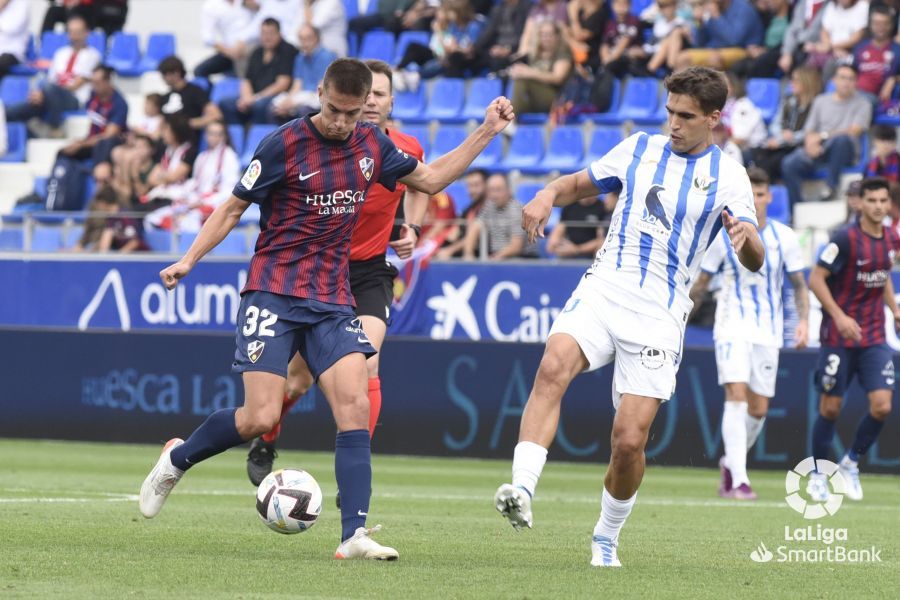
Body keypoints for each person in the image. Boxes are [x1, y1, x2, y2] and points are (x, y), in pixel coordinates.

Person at [138, 57, 514, 562]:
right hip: (273, 290)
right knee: (259, 416)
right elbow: (231, 207)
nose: (341, 122)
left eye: (352, 113)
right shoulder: (282, 144)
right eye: (335, 110)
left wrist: (486, 131)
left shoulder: (371, 143)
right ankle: (176, 459)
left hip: (332, 297)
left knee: (355, 404)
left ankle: (353, 535)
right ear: (320, 94)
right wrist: (189, 259)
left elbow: (432, 179)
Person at [492, 66, 764, 568]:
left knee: (628, 440)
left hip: (660, 314)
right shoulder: (640, 148)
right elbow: (579, 183)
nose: (674, 125)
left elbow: (753, 250)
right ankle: (522, 488)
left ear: (713, 118)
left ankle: (606, 536)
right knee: (553, 365)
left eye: (685, 116)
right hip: (605, 286)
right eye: (670, 113)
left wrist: (749, 245)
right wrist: (548, 193)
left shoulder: (730, 175)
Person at [244, 59, 430, 486]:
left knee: (369, 363)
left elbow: (424, 185)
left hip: (367, 272)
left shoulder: (403, 149)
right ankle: (268, 434)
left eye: (380, 95)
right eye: (369, 96)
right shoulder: (330, 147)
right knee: (296, 381)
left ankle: (354, 479)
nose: (371, 104)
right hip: (316, 272)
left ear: (386, 101)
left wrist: (412, 226)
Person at [689, 167, 809, 500]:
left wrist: (803, 322)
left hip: (768, 331)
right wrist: (680, 316)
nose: (755, 200)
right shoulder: (722, 239)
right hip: (731, 326)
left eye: (760, 194)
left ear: (769, 197)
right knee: (736, 395)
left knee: (758, 409)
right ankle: (739, 480)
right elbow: (700, 286)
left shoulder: (785, 237)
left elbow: (799, 285)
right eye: (750, 194)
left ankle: (731, 462)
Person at [807, 176, 899, 503]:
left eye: (882, 201)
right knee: (830, 408)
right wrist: (839, 316)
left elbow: (883, 275)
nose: (877, 206)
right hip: (838, 336)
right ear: (860, 203)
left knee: (883, 405)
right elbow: (816, 279)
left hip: (874, 335)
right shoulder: (844, 239)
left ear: (889, 204)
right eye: (871, 200)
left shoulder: (891, 238)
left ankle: (850, 463)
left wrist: (895, 309)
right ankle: (818, 473)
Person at [780, 64, 872, 208]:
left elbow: (854, 131)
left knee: (840, 141)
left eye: (850, 79)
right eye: (842, 78)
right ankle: (796, 208)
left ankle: (830, 188)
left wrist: (823, 136)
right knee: (789, 163)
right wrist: (810, 145)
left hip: (845, 151)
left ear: (856, 82)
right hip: (820, 150)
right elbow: (809, 130)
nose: (846, 82)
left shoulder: (863, 103)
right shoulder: (820, 101)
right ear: (834, 80)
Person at [5, 14, 101, 135]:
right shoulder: (60, 53)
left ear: (86, 32)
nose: (74, 36)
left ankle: (55, 127)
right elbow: (51, 80)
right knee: (10, 112)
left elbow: (75, 85)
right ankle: (31, 131)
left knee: (48, 88)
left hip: (74, 99)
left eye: (78, 32)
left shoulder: (93, 55)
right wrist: (41, 95)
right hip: (51, 97)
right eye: (71, 32)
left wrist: (45, 93)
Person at [145, 120, 241, 232]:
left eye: (218, 134)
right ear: (206, 135)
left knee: (187, 222)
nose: (214, 137)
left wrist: (204, 201)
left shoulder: (230, 157)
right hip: (196, 200)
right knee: (154, 218)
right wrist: (186, 196)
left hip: (216, 203)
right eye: (211, 133)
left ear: (224, 136)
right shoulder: (202, 157)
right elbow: (195, 183)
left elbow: (230, 190)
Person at [218, 18, 296, 125]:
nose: (267, 37)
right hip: (254, 97)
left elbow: (282, 84)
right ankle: (239, 137)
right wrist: (246, 98)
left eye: (271, 33)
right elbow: (246, 80)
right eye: (264, 33)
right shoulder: (256, 52)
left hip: (275, 97)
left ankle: (258, 137)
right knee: (226, 103)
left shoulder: (287, 50)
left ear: (279, 34)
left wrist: (255, 98)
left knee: (259, 106)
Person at [462, 173, 537, 260]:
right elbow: (476, 226)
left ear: (509, 190)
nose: (494, 195)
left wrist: (493, 259)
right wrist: (468, 254)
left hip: (522, 260)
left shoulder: (517, 210)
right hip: (498, 257)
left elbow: (516, 246)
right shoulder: (489, 206)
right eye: (491, 190)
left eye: (498, 190)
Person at [545, 194, 606, 259]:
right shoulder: (569, 206)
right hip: (567, 251)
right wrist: (554, 243)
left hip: (590, 255)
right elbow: (559, 229)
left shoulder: (603, 208)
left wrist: (577, 249)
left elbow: (601, 240)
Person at [0, 0, 29, 80]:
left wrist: (2, 6)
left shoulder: (22, 4)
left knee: (2, 62)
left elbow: (11, 27)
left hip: (13, 52)